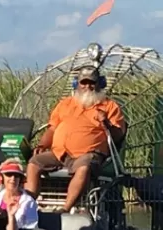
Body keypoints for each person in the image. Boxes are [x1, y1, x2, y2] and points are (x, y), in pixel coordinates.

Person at [26, 66, 127, 212]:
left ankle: (65, 209)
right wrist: (42, 145)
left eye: (92, 82)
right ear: (76, 84)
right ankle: (28, 204)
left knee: (83, 167)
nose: (87, 86)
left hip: (88, 154)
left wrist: (106, 122)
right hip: (60, 153)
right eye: (83, 82)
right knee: (34, 163)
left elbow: (118, 136)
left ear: (100, 83)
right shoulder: (65, 104)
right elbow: (52, 129)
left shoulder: (110, 106)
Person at [0, 159, 39, 230]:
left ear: (20, 179)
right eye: (9, 174)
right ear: (1, 178)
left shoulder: (28, 201)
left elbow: (31, 227)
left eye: (16, 176)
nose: (13, 178)